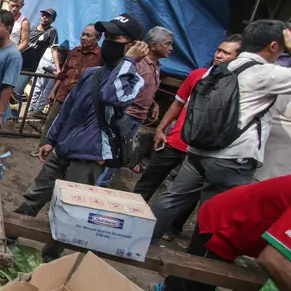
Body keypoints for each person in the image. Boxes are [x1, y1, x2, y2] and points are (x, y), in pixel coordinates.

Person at [13, 14, 148, 259]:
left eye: (115, 37)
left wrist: (128, 61)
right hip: (63, 148)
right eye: (106, 36)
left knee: (68, 210)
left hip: (89, 156)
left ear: (133, 45)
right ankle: (10, 234)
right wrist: (50, 140)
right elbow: (69, 109)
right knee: (34, 195)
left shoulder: (134, 81)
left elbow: (111, 96)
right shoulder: (91, 73)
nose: (107, 42)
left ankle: (48, 259)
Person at [149, 20, 291, 245]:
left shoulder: (219, 69)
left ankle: (136, 242)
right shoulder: (266, 74)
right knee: (218, 217)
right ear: (273, 46)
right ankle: (191, 275)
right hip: (232, 160)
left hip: (197, 150)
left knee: (171, 199)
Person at [133, 35, 242, 241]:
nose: (218, 55)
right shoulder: (197, 75)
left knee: (186, 194)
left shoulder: (236, 86)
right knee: (149, 179)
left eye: (226, 53)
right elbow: (178, 104)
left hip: (201, 150)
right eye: (218, 50)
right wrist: (161, 129)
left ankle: (172, 228)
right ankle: (128, 210)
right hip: (174, 141)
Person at [149, 175, 291, 291]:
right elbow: (273, 260)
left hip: (242, 229)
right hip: (223, 225)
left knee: (195, 279)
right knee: (197, 279)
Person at [97, 26, 174, 187]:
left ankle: (102, 184)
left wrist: (153, 103)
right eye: (167, 44)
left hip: (137, 118)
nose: (171, 48)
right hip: (126, 115)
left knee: (118, 154)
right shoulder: (137, 63)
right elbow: (122, 87)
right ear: (153, 45)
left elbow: (141, 87)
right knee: (111, 153)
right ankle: (97, 186)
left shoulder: (155, 66)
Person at [32, 25, 102, 151]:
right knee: (51, 122)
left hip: (81, 100)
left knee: (72, 125)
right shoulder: (75, 51)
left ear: (98, 38)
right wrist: (53, 92)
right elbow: (63, 74)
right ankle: (42, 148)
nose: (84, 38)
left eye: (88, 35)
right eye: (83, 34)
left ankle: (62, 151)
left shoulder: (101, 57)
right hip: (62, 95)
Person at [14, 9, 59, 104]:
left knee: (16, 93)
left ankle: (13, 117)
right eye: (43, 15)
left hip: (28, 67)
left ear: (53, 20)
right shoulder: (31, 29)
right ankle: (13, 116)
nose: (44, 17)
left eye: (48, 16)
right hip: (16, 62)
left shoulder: (51, 31)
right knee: (10, 91)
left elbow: (54, 50)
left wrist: (58, 69)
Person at [27, 45, 59, 116]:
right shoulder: (66, 36)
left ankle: (31, 108)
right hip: (51, 61)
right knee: (46, 88)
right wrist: (58, 67)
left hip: (45, 58)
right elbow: (54, 49)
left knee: (38, 86)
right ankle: (37, 109)